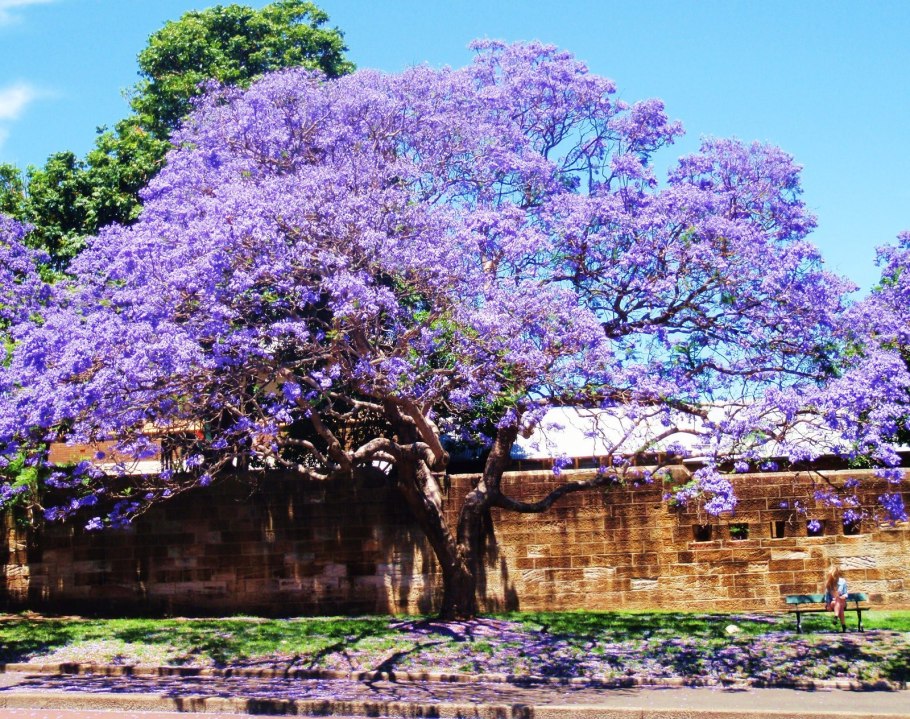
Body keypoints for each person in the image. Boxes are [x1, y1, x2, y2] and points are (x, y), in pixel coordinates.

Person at [824, 564, 848, 631]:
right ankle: (843, 625)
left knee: (838, 600)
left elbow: (846, 593)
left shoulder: (843, 581)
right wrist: (828, 604)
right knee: (838, 605)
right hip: (833, 603)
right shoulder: (829, 583)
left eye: (835, 575)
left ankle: (836, 616)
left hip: (842, 602)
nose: (834, 578)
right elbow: (827, 596)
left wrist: (843, 596)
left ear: (837, 574)